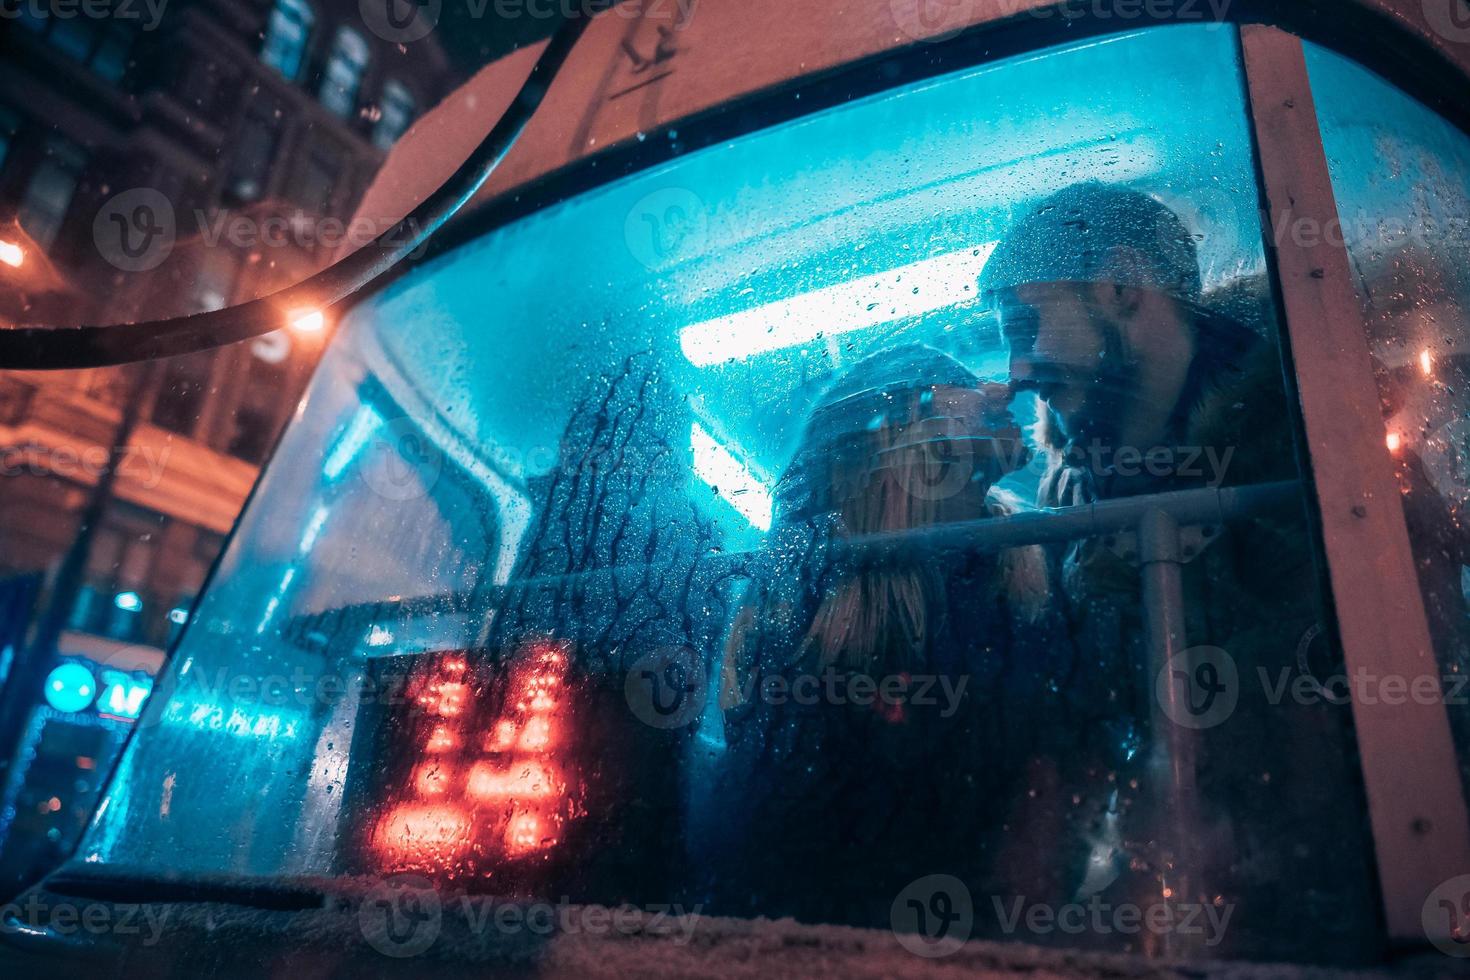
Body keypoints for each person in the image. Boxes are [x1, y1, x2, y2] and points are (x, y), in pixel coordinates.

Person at [977, 182, 1380, 961]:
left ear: (1123, 283)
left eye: (1027, 324)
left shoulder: (1322, 430)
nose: (1017, 369)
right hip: (1168, 911)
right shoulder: (1065, 497)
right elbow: (1079, 736)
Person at [694, 344, 1088, 930]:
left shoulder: (1035, 563)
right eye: (957, 384)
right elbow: (788, 840)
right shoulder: (806, 604)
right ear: (902, 428)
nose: (1003, 389)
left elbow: (1055, 782)